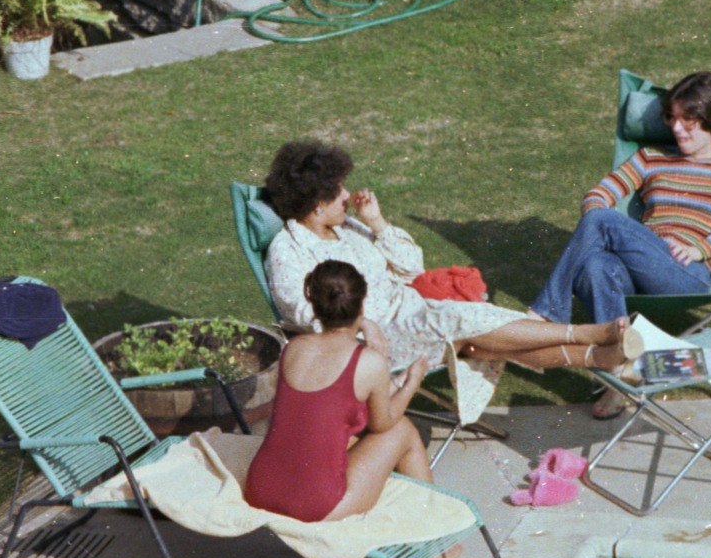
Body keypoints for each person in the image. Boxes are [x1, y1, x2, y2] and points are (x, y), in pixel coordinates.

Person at [263, 142, 643, 417]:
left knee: (484, 343)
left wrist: (376, 222)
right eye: (338, 190)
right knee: (469, 321)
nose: (347, 194)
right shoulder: (288, 250)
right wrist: (364, 323)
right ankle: (590, 335)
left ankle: (599, 356)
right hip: (374, 340)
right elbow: (302, 313)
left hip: (415, 313)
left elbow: (411, 268)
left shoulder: (349, 229)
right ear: (316, 202)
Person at [528, 72, 711, 418]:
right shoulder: (649, 157)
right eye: (672, 118)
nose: (677, 128)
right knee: (595, 265)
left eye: (689, 119)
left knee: (600, 221)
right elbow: (598, 195)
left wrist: (705, 247)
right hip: (639, 263)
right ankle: (618, 379)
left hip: (685, 271)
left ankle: (544, 319)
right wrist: (621, 236)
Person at [244, 261, 437, 527]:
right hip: (314, 505)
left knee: (332, 436)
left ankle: (430, 537)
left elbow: (323, 408)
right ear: (362, 305)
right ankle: (436, 541)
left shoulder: (294, 348)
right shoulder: (368, 362)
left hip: (261, 489)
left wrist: (364, 324)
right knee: (402, 430)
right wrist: (411, 383)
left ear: (313, 305)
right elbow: (382, 424)